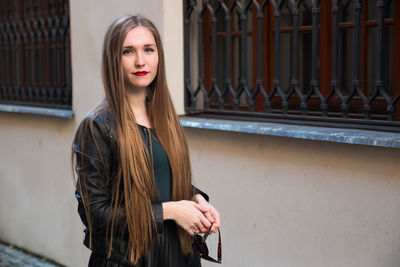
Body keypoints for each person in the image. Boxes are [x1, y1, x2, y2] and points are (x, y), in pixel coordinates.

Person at [72, 14, 221, 267]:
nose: (140, 60)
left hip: (179, 255)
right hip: (128, 260)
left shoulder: (164, 116)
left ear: (158, 55)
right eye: (128, 51)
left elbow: (161, 178)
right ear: (113, 60)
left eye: (148, 49)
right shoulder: (97, 126)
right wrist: (171, 211)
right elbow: (96, 216)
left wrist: (197, 200)